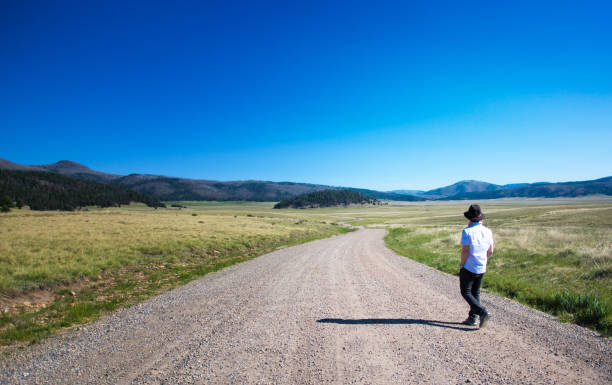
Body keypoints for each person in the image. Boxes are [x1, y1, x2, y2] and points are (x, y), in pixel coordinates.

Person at [460, 204, 494, 328]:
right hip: (482, 266)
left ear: (469, 218)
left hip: (469, 266)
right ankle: (472, 318)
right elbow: (490, 251)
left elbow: (465, 251)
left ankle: (483, 313)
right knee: (476, 292)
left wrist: (462, 265)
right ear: (481, 218)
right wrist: (483, 260)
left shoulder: (467, 231)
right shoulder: (488, 231)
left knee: (466, 292)